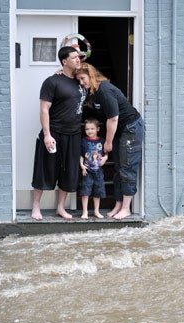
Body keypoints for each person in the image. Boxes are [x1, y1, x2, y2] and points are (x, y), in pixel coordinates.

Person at [75, 63, 144, 220]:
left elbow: (113, 118)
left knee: (127, 167)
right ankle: (118, 204)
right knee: (119, 168)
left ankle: (126, 208)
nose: (81, 82)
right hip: (120, 130)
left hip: (130, 128)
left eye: (83, 78)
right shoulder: (94, 92)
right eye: (79, 80)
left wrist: (108, 142)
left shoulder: (105, 90)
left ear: (91, 75)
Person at [31, 46, 87, 220]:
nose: (78, 60)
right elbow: (44, 109)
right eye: (74, 57)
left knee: (69, 172)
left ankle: (60, 208)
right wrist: (47, 135)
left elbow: (90, 71)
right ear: (64, 61)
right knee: (44, 169)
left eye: (79, 57)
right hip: (54, 132)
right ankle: (36, 208)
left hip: (74, 134)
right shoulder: (52, 81)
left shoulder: (80, 80)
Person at [79, 118, 108, 219]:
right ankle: (85, 212)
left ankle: (96, 211)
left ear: (98, 129)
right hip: (87, 170)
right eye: (87, 129)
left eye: (92, 128)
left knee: (98, 190)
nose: (89, 131)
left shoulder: (102, 141)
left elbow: (106, 153)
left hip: (98, 170)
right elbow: (81, 155)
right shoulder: (83, 141)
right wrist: (82, 165)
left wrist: (105, 158)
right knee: (85, 190)